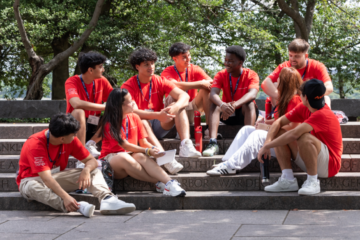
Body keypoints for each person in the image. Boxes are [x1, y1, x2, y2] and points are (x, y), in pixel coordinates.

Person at [16, 113, 136, 217]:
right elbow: (46, 178)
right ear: (62, 139)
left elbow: (92, 161)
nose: (75, 137)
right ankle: (76, 206)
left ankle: (107, 199)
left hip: (55, 177)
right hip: (31, 180)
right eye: (73, 135)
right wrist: (66, 197)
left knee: (94, 171)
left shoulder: (70, 140)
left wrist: (86, 170)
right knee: (31, 187)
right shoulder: (35, 144)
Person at [207, 67, 303, 175]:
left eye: (279, 79)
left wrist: (266, 127)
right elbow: (281, 121)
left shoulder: (295, 99)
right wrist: (266, 122)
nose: (276, 82)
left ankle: (231, 166)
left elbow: (294, 127)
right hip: (280, 141)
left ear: (285, 82)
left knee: (257, 135)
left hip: (288, 146)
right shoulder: (285, 99)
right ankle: (227, 162)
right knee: (247, 129)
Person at [121, 48, 201, 175]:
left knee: (178, 104)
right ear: (137, 67)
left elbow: (184, 97)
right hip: (140, 129)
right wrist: (157, 115)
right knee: (142, 120)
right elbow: (131, 111)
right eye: (146, 64)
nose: (151, 67)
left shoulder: (160, 80)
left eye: (152, 63)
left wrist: (174, 108)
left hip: (160, 124)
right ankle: (164, 157)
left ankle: (185, 144)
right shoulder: (128, 86)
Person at [258, 79, 343, 195]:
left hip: (329, 166)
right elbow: (278, 122)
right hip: (313, 157)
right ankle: (288, 180)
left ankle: (313, 181)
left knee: (304, 137)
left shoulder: (323, 114)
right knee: (279, 131)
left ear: (305, 97)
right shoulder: (304, 107)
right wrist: (267, 142)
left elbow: (294, 134)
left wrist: (267, 146)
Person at [97, 88, 186, 197]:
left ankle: (170, 183)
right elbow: (124, 144)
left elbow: (143, 142)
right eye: (129, 101)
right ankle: (158, 182)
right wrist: (147, 150)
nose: (133, 103)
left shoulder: (135, 117)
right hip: (111, 160)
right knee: (125, 157)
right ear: (119, 105)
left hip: (130, 156)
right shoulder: (109, 122)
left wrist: (154, 149)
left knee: (140, 156)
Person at [203, 45, 259, 157]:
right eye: (226, 60)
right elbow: (213, 93)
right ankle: (213, 143)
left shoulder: (251, 74)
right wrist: (222, 105)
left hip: (244, 113)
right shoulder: (220, 74)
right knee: (214, 104)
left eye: (231, 61)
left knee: (249, 104)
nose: (227, 63)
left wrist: (234, 105)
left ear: (240, 63)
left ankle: (247, 143)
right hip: (226, 114)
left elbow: (252, 94)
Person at [65, 51, 113, 158]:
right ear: (90, 70)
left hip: (95, 125)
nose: (103, 70)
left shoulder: (102, 81)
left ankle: (90, 143)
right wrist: (105, 107)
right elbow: (76, 103)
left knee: (115, 112)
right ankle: (82, 157)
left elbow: (115, 100)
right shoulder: (72, 81)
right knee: (79, 111)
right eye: (100, 67)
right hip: (75, 126)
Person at [261, 38, 333, 108]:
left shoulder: (317, 66)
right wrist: (280, 96)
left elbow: (329, 87)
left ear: (306, 56)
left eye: (297, 56)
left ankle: (323, 119)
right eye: (290, 55)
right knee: (275, 85)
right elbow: (265, 83)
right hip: (289, 101)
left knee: (326, 98)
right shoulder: (284, 66)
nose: (292, 59)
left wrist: (309, 96)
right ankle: (279, 116)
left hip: (309, 101)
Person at [161, 42, 213, 127]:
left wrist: (204, 85)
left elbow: (211, 83)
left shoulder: (195, 69)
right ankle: (180, 132)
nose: (188, 59)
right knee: (174, 94)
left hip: (193, 108)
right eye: (184, 57)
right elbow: (173, 85)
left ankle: (209, 129)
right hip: (174, 110)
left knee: (207, 89)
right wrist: (200, 83)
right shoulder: (167, 71)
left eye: (189, 55)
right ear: (175, 59)